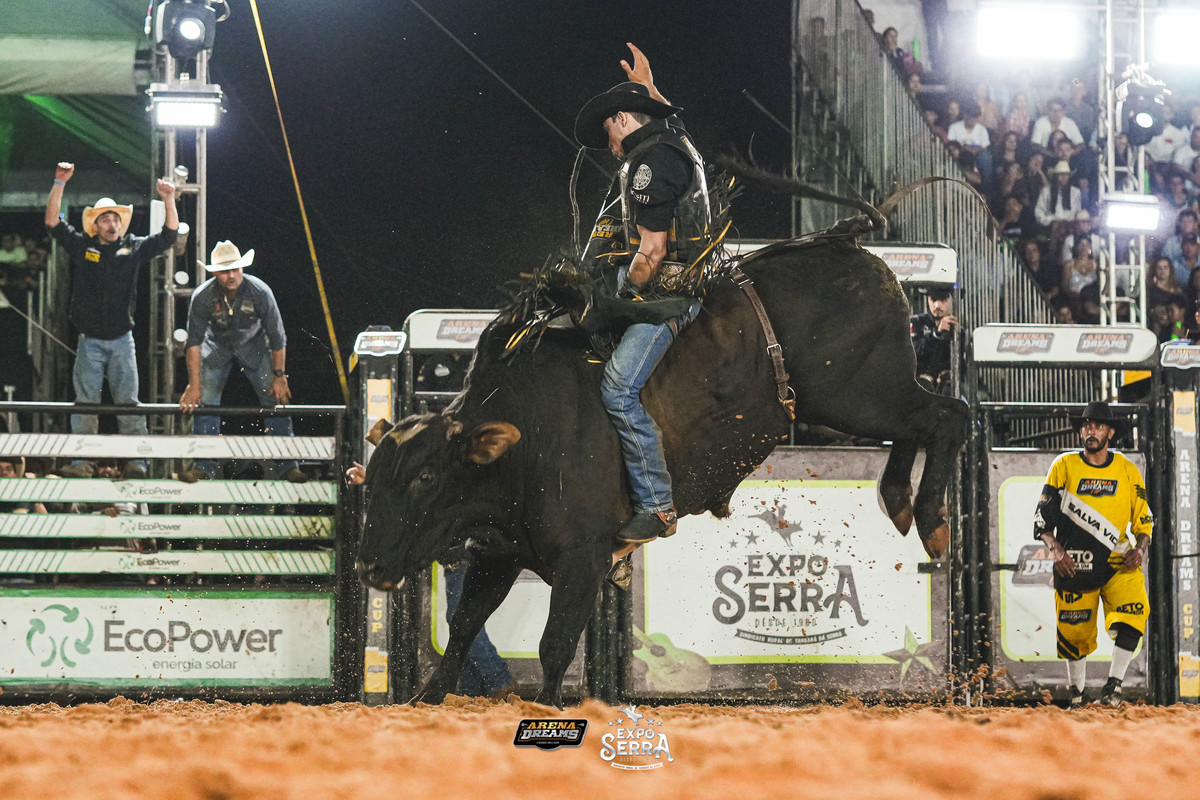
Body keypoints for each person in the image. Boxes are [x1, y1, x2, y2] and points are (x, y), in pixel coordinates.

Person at [573, 43, 711, 544]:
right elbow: (670, 122)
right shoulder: (675, 145)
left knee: (617, 388)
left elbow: (651, 252)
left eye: (608, 129)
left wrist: (618, 303)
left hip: (667, 299)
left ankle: (656, 505)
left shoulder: (650, 163)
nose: (608, 142)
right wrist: (649, 88)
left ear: (622, 119)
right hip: (674, 286)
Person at [45, 162, 178, 479]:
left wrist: (169, 199)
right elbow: (52, 222)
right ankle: (82, 462)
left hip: (121, 339)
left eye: (115, 219)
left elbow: (169, 236)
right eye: (105, 219)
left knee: (128, 403)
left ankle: (136, 461)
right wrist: (59, 182)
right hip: (89, 340)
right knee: (85, 404)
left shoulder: (133, 247)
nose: (112, 223)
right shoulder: (83, 246)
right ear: (95, 225)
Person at [344, 462, 514, 698]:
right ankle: (471, 691)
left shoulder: (443, 481)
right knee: (463, 622)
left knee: (460, 621)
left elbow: (406, 486)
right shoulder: (441, 481)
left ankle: (498, 680)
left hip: (465, 558)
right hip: (462, 559)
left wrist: (373, 477)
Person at [1034, 401, 1152, 708]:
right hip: (1074, 564)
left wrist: (1140, 548)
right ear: (1081, 431)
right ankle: (1077, 695)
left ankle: (1113, 688)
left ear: (1110, 432)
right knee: (1074, 636)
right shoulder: (1063, 465)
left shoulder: (1127, 469)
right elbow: (1042, 521)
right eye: (1087, 425)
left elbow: (1144, 520)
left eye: (1098, 426)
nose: (1091, 431)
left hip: (1118, 563)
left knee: (1134, 614)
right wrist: (1056, 550)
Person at [177, 241, 306, 483]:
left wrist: (279, 375)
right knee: (204, 400)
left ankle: (288, 465)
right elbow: (193, 342)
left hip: (255, 346)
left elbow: (277, 337)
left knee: (276, 398)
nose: (231, 276)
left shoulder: (260, 292)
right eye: (225, 271)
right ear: (215, 273)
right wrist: (194, 384)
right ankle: (203, 466)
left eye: (235, 269)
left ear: (242, 269)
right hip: (216, 348)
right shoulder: (203, 297)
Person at [909, 287, 956, 395]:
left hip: (946, 386)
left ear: (950, 300)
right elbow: (912, 350)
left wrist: (950, 373)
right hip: (920, 384)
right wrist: (936, 335)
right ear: (928, 299)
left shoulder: (957, 330)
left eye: (943, 300)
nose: (937, 305)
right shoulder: (917, 322)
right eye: (933, 300)